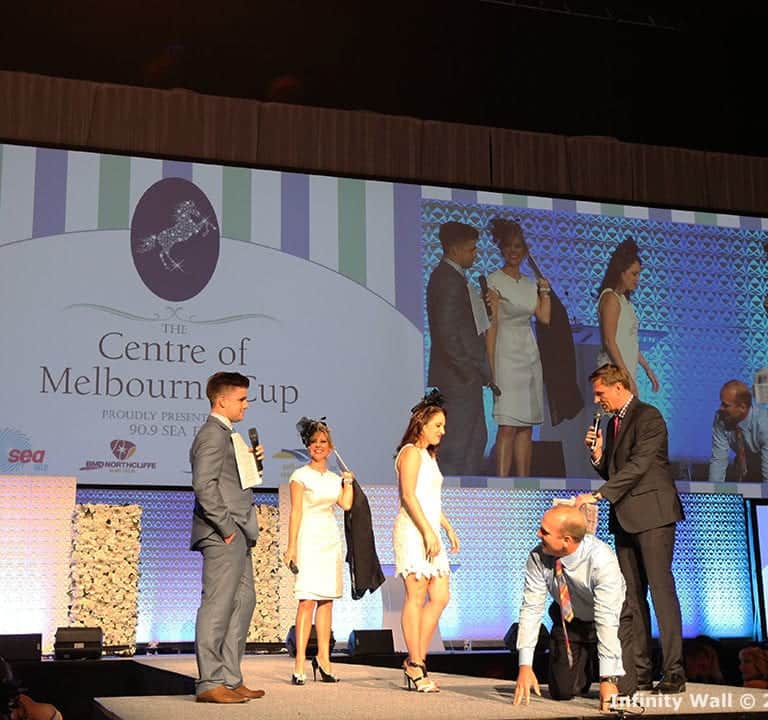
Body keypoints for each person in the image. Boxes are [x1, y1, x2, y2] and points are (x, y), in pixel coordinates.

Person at [576, 364, 685, 694]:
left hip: (653, 516)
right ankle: (639, 673)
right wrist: (598, 457)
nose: (597, 400)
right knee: (632, 601)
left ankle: (674, 673)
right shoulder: (611, 425)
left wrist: (599, 495)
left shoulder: (648, 417)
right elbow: (615, 470)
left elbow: (639, 466)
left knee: (661, 594)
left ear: (618, 387)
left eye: (600, 393)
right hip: (625, 517)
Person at [189, 371, 266, 704]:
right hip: (224, 532)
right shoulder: (211, 434)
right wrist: (226, 527)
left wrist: (253, 463)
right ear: (221, 400)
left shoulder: (230, 436)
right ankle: (209, 681)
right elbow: (204, 485)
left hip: (239, 530)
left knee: (244, 601)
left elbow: (231, 481)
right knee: (218, 605)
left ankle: (231, 679)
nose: (246, 405)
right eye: (241, 399)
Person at [513, 506, 635, 710]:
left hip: (609, 619)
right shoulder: (537, 556)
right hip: (569, 619)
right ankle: (585, 660)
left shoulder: (601, 560)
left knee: (622, 691)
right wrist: (525, 666)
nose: (538, 534)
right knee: (562, 692)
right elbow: (531, 608)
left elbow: (606, 619)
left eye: (545, 531)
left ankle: (598, 662)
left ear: (566, 540)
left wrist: (608, 679)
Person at [393, 390, 460, 692]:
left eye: (443, 426)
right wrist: (427, 531)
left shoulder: (429, 456)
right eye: (438, 426)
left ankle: (414, 659)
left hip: (430, 529)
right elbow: (408, 496)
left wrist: (446, 527)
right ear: (421, 425)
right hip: (413, 531)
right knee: (416, 596)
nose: (442, 432)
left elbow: (430, 499)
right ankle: (417, 663)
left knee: (441, 595)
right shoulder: (409, 453)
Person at [284, 417, 354, 685]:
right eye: (314, 442)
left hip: (330, 540)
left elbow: (345, 505)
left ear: (330, 446)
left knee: (327, 601)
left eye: (323, 442)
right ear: (307, 445)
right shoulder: (299, 476)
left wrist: (347, 482)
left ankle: (324, 660)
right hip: (308, 540)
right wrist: (292, 547)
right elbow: (296, 512)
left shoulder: (334, 477)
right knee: (307, 601)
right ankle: (300, 663)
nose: (318, 446)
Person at [485, 218, 551, 476]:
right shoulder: (494, 280)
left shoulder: (528, 283)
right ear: (502, 249)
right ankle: (502, 484)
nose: (513, 252)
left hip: (529, 354)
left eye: (518, 247)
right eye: (509, 247)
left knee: (526, 426)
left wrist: (544, 292)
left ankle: (523, 482)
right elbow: (492, 326)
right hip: (505, 353)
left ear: (525, 251)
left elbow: (544, 317)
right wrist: (491, 367)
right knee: (508, 424)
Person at [426, 221, 492, 476]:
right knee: (457, 444)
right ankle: (453, 498)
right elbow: (447, 334)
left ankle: (470, 494)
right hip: (458, 378)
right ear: (454, 249)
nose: (475, 255)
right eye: (471, 249)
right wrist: (467, 369)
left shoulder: (455, 278)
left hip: (467, 375)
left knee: (475, 440)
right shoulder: (445, 279)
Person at [596, 238, 659, 396]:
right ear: (621, 272)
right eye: (633, 274)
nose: (637, 279)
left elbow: (629, 342)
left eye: (638, 274)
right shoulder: (611, 298)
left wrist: (647, 369)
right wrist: (626, 378)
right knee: (619, 419)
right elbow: (610, 342)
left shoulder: (624, 301)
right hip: (614, 374)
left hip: (624, 372)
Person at [709, 380, 768, 482]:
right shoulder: (721, 418)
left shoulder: (764, 424)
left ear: (743, 407)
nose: (720, 408)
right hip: (744, 473)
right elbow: (718, 460)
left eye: (725, 405)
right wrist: (712, 495)